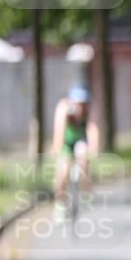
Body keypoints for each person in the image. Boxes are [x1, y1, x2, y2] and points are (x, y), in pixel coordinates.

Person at [51, 85, 100, 222]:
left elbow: (93, 130)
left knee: (83, 156)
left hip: (81, 140)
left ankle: (85, 191)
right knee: (62, 172)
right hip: (66, 142)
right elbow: (59, 132)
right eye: (78, 104)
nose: (81, 108)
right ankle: (60, 204)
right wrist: (58, 152)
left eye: (84, 104)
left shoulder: (91, 109)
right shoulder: (63, 108)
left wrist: (94, 149)